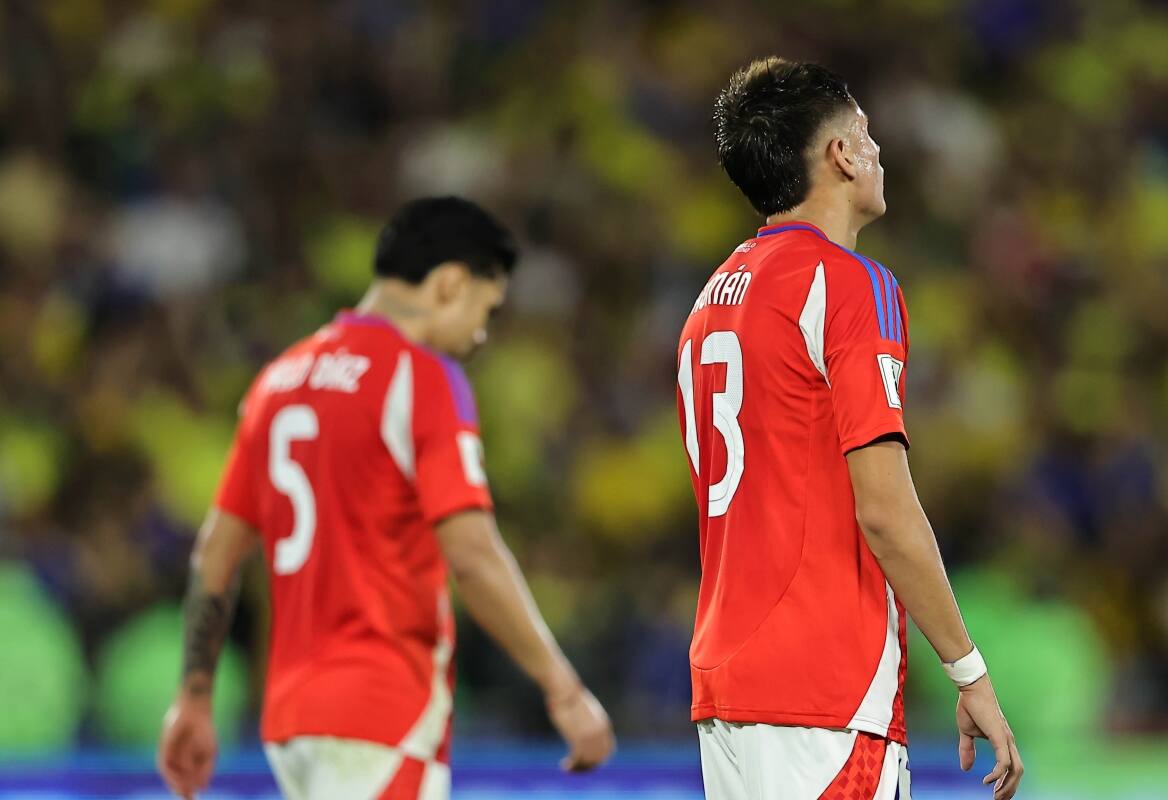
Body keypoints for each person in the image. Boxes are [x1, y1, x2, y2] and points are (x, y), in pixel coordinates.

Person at [157, 197, 615, 800]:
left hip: (292, 722)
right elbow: (473, 557)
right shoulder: (420, 376)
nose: (480, 335)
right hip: (382, 712)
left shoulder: (278, 381)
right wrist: (562, 686)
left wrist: (193, 698)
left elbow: (214, 555)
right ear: (450, 284)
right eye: (486, 309)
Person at [675, 58, 1023, 799]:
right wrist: (969, 671)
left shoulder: (709, 301)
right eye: (866, 133)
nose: (877, 151)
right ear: (841, 154)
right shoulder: (851, 283)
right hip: (823, 687)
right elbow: (885, 510)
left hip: (728, 690)